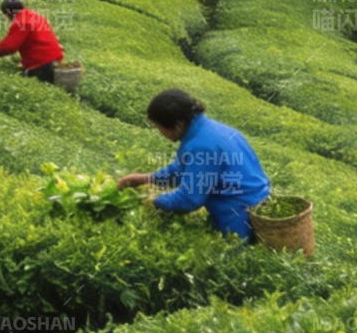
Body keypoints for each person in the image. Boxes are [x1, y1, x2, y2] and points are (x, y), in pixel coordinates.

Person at [116, 88, 270, 239]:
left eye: (159, 127)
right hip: (257, 203)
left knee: (234, 252)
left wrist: (154, 201)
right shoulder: (209, 130)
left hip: (240, 217)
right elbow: (181, 170)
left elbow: (190, 199)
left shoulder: (202, 146)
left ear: (177, 124)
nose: (160, 133)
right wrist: (147, 178)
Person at [0, 0, 65, 84]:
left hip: (41, 65)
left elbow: (8, 47)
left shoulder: (21, 23)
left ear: (8, 13)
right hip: (55, 60)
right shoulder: (35, 16)